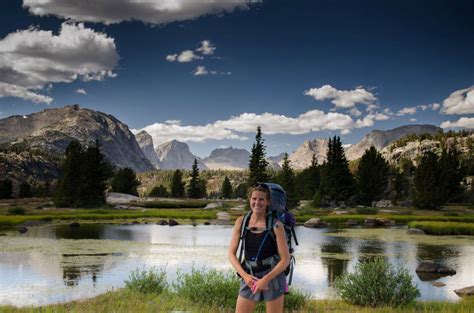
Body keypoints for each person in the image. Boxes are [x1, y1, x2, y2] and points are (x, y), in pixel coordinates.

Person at [228, 184, 290, 313]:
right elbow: (231, 254)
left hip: (272, 276)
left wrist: (265, 279)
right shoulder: (241, 222)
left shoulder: (276, 225)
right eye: (254, 199)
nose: (257, 203)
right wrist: (245, 276)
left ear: (268, 202)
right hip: (249, 275)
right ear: (250, 200)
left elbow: (285, 260)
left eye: (261, 199)